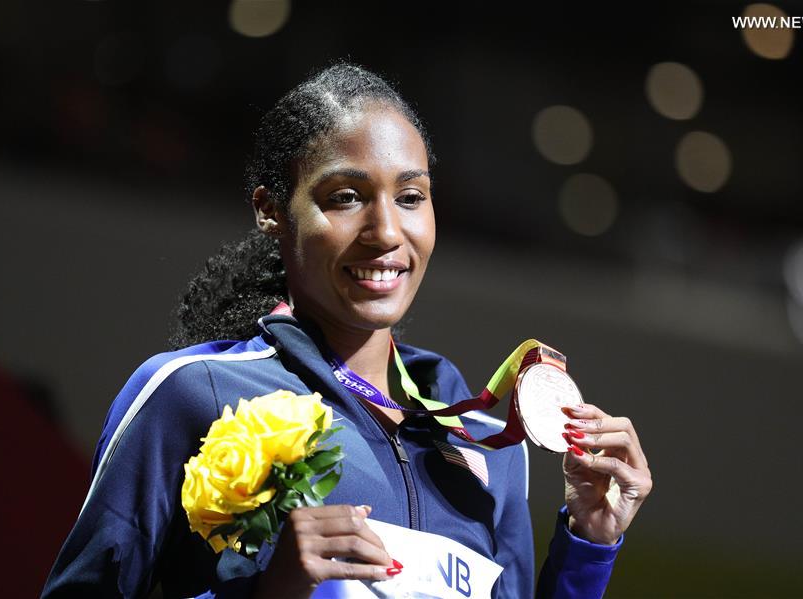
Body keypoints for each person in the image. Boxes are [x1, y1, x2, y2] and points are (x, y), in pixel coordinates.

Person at [42, 62, 652, 599]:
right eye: (345, 198)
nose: (386, 231)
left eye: (411, 196)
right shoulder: (190, 393)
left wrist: (588, 546)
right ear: (271, 211)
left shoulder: (492, 451)